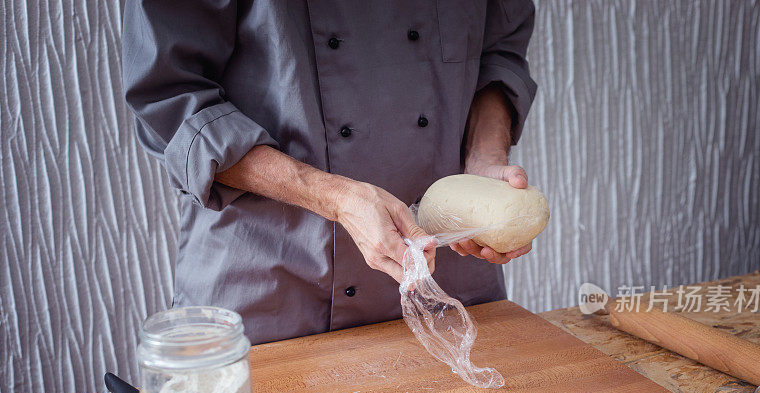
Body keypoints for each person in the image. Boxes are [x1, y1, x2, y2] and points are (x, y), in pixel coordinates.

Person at [122, 1, 537, 344]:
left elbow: (499, 53)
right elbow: (172, 98)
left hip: (446, 274)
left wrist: (484, 157)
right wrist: (336, 198)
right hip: (274, 284)